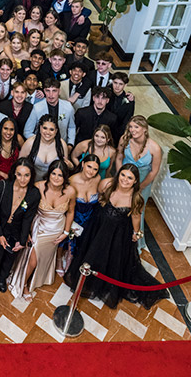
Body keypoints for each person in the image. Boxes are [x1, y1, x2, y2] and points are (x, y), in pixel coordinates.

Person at [64, 164, 169, 309]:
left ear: (135, 181)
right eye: (123, 175)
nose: (125, 180)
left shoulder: (136, 199)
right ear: (118, 174)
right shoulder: (107, 184)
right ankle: (87, 277)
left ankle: (102, 282)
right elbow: (100, 197)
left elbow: (136, 219)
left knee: (111, 258)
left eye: (130, 178)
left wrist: (136, 233)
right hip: (98, 226)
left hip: (117, 234)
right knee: (92, 252)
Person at [9, 160, 76, 301]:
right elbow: (27, 211)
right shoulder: (38, 186)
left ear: (65, 178)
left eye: (60, 175)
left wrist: (65, 232)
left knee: (43, 257)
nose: (56, 178)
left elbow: (70, 212)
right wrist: (25, 231)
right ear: (49, 174)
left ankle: (39, 277)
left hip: (56, 229)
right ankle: (24, 285)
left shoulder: (70, 192)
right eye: (54, 174)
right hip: (39, 227)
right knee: (33, 259)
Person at [0, 159, 41, 295]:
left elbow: (28, 219)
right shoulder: (3, 186)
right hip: (0, 226)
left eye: (26, 175)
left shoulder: (34, 194)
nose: (23, 179)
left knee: (10, 257)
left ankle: (2, 279)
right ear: (14, 174)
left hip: (17, 229)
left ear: (31, 175)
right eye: (19, 174)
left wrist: (22, 241)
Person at [116, 115, 162, 250]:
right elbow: (119, 157)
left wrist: (140, 187)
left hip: (143, 181)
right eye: (130, 127)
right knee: (120, 205)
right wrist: (120, 176)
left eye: (136, 127)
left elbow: (154, 171)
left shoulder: (155, 148)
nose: (132, 130)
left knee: (137, 209)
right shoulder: (125, 139)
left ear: (144, 129)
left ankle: (136, 242)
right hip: (123, 178)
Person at [62, 154, 101, 268]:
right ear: (83, 164)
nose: (91, 172)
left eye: (95, 169)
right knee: (68, 246)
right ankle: (62, 261)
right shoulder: (71, 181)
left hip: (90, 219)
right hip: (74, 218)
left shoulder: (97, 179)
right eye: (89, 167)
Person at [19, 114, 72, 181]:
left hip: (53, 183)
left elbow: (63, 169)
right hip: (31, 183)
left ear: (56, 131)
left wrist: (71, 167)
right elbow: (20, 165)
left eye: (51, 129)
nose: (47, 132)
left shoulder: (62, 145)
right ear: (40, 127)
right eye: (45, 128)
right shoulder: (30, 143)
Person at [0, 117, 22, 187]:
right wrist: (1, 173)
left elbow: (23, 159)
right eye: (5, 128)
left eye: (11, 129)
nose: (8, 132)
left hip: (14, 179)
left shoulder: (18, 139)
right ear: (1, 129)